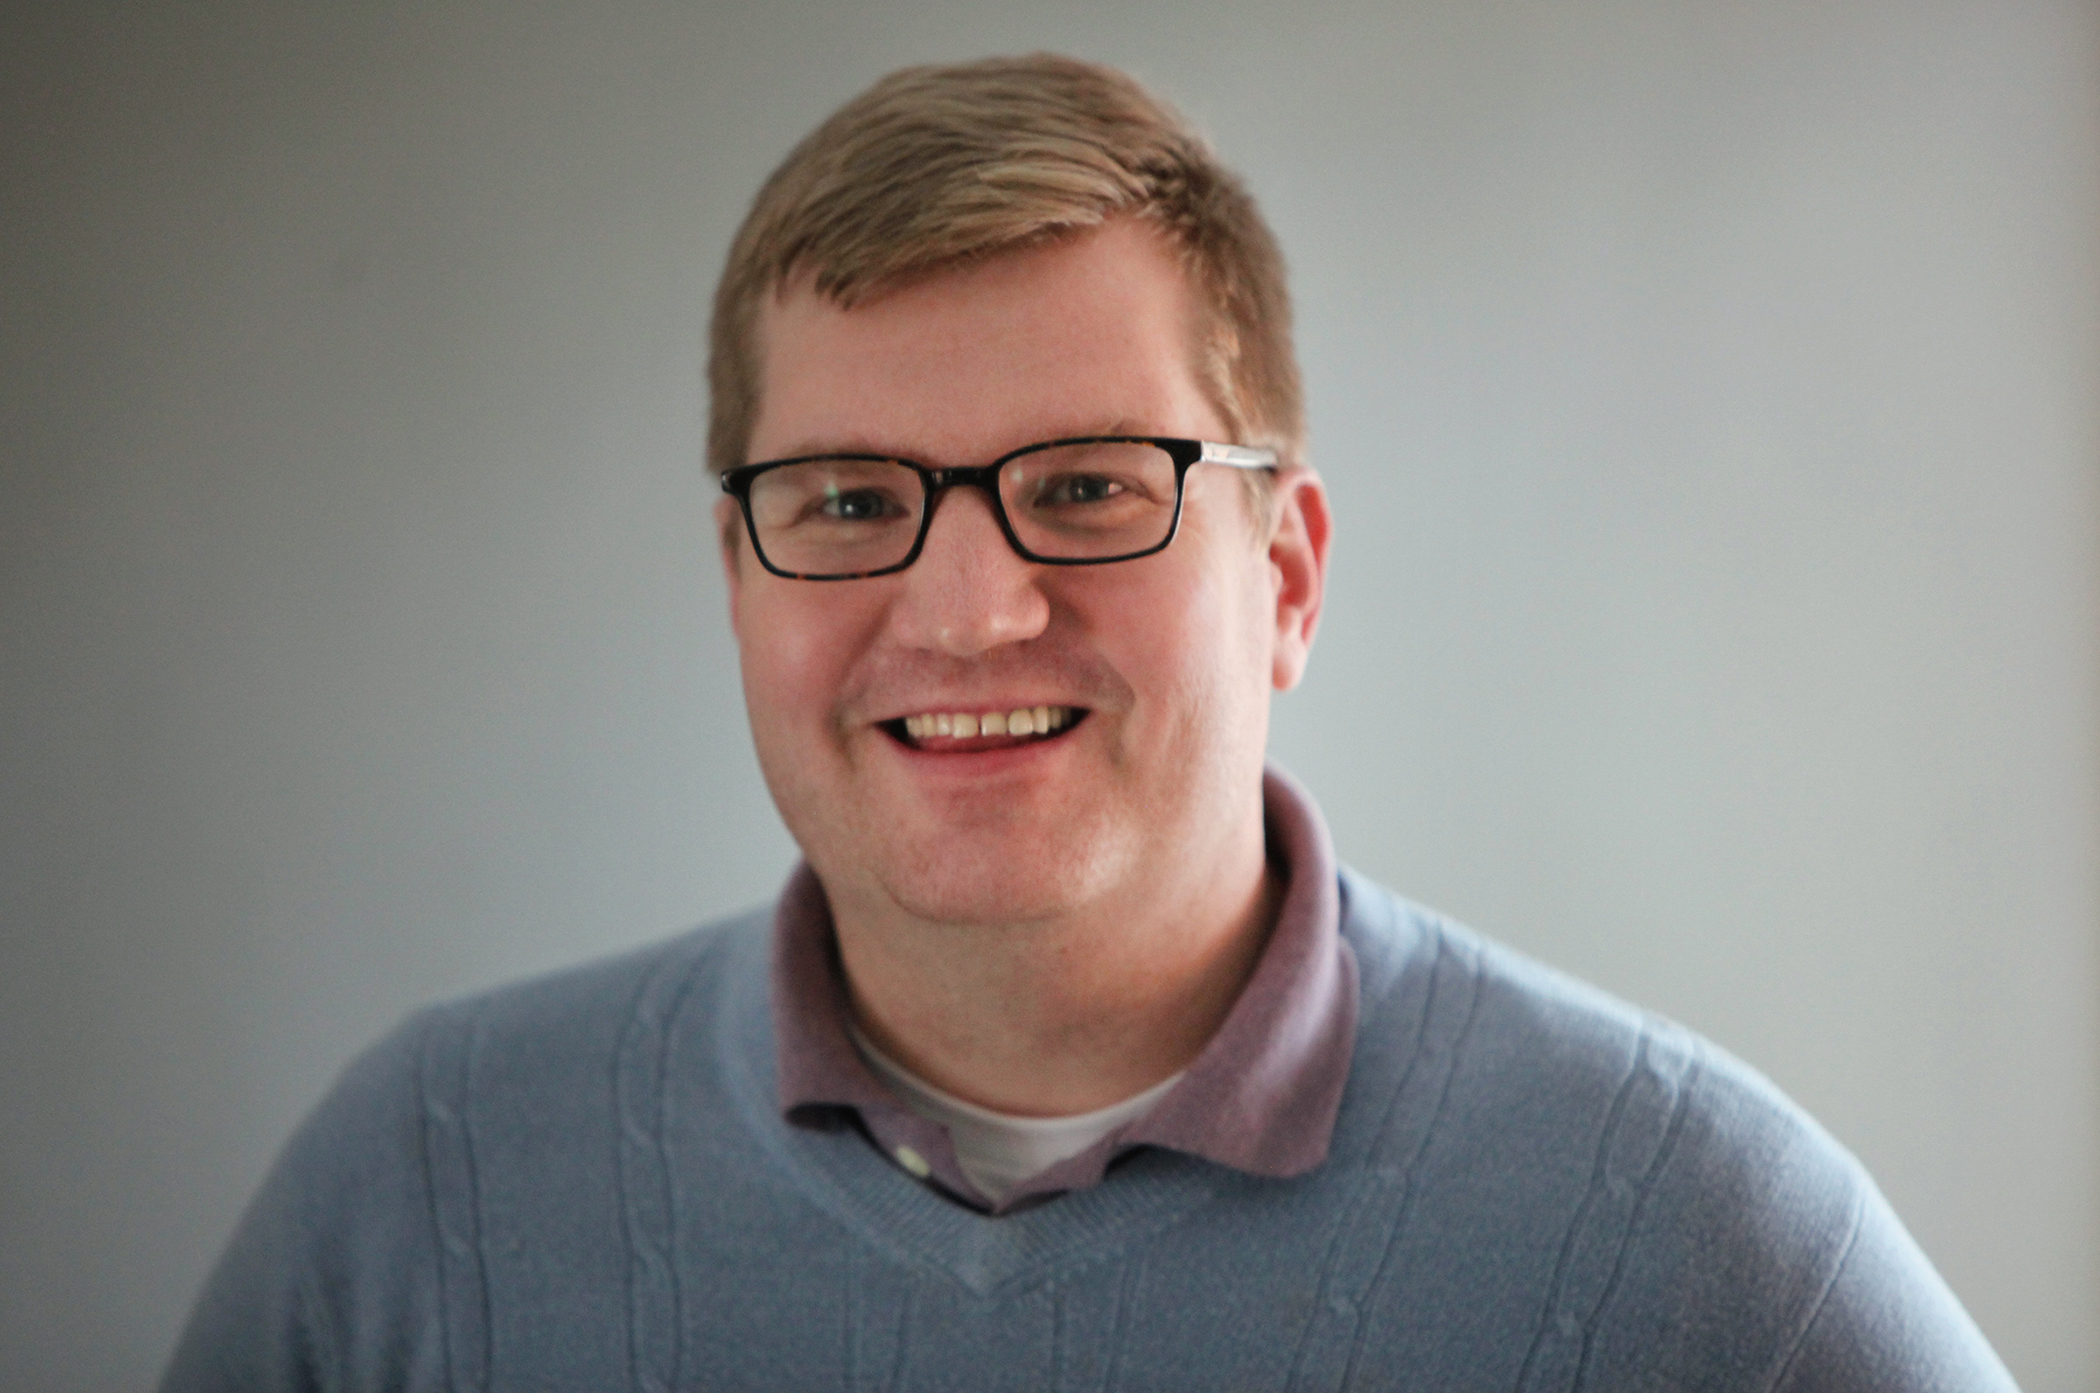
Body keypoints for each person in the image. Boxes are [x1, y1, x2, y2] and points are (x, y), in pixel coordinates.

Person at [163, 54, 2017, 1390]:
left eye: (1085, 487)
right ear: (737, 580)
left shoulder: (1692, 1240)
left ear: (1286, 576)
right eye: (847, 500)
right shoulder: (423, 1191)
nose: (970, 610)